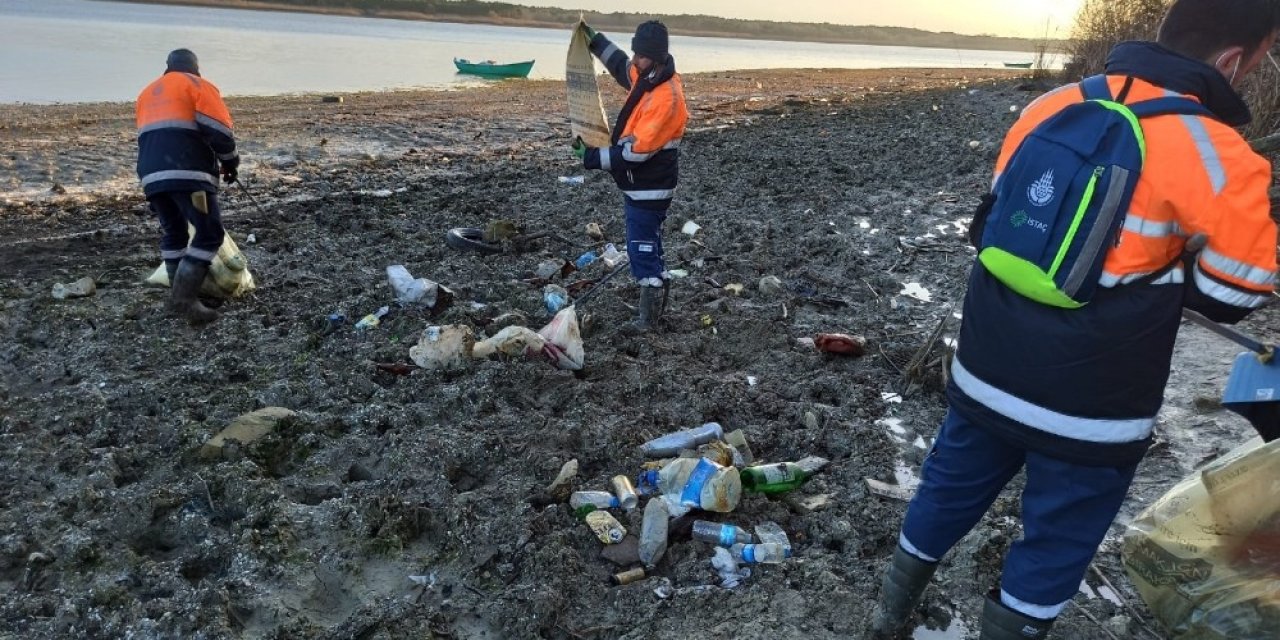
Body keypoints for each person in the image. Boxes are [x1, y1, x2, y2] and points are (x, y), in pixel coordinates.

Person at [869, 1, 1280, 638]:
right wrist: (1169, 267)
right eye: (1260, 58)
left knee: (947, 488)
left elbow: (1001, 222)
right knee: (1059, 536)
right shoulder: (1222, 154)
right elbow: (1234, 293)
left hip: (986, 367)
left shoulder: (1049, 106)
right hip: (1093, 407)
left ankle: (887, 616)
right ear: (1231, 60)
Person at [574, 20, 689, 335]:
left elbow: (635, 153)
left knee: (642, 249)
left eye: (642, 55)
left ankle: (647, 321)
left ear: (658, 57)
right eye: (636, 52)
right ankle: (655, 307)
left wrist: (590, 157)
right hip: (643, 188)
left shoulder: (666, 97)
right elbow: (621, 67)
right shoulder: (651, 76)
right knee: (650, 244)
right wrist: (596, 41)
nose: (636, 60)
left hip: (649, 190)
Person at [135, 48, 239, 324]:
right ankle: (184, 300)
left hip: (151, 176)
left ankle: (176, 295)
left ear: (167, 67)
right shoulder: (198, 86)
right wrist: (231, 163)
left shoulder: (147, 93)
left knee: (174, 233)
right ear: (196, 68)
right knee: (209, 233)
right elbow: (221, 132)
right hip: (188, 173)